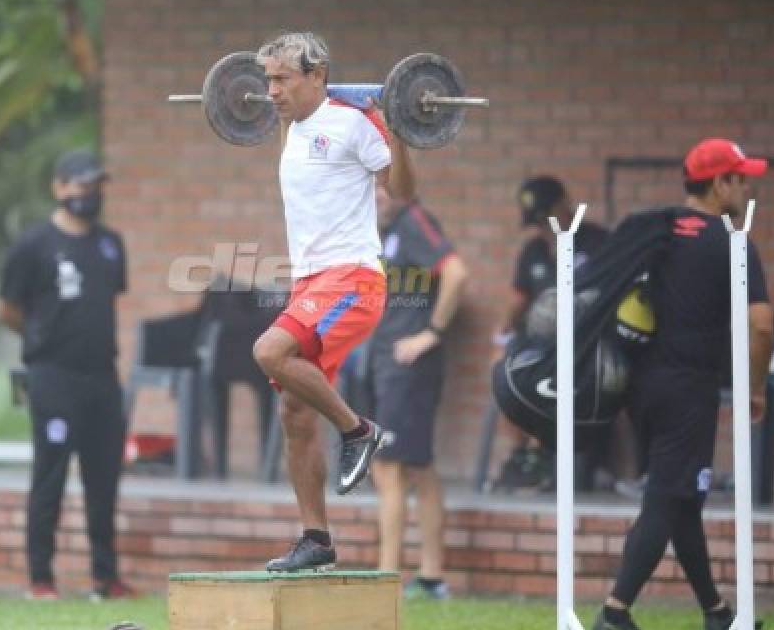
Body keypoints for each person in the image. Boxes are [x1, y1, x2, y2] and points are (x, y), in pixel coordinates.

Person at [592, 138, 774, 630]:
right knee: (667, 496)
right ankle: (615, 610)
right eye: (741, 177)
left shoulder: (657, 229)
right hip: (689, 390)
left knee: (684, 496)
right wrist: (754, 387)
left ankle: (715, 610)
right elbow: (762, 327)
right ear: (720, 184)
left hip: (641, 386)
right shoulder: (732, 243)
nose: (747, 185)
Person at [251, 32, 417, 573]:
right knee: (294, 410)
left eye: (282, 78)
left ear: (317, 75)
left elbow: (404, 193)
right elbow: (275, 111)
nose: (271, 90)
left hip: (352, 280)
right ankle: (316, 539)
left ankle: (359, 432)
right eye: (267, 79)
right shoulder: (291, 129)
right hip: (310, 282)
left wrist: (401, 128)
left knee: (270, 351)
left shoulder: (354, 122)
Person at [0, 150, 134, 600]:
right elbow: (7, 310)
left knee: (104, 478)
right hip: (52, 376)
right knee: (50, 474)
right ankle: (41, 578)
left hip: (102, 378)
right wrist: (40, 339)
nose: (86, 194)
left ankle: (105, 577)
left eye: (94, 186)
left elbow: (106, 304)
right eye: (78, 185)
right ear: (58, 188)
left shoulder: (110, 244)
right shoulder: (33, 246)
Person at [369, 184, 469, 599]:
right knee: (418, 466)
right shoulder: (381, 231)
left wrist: (432, 332)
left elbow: (456, 272)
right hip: (384, 360)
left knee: (389, 467)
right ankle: (431, 577)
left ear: (402, 193)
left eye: (381, 188)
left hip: (408, 365)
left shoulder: (414, 221)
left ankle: (383, 580)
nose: (374, 195)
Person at [491, 176, 609, 491]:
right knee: (503, 369)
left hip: (586, 340)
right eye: (537, 222)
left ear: (562, 204)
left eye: (546, 218)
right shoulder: (533, 249)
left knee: (549, 374)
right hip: (538, 338)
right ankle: (524, 455)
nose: (542, 227)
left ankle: (540, 451)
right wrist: (503, 329)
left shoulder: (596, 241)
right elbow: (519, 298)